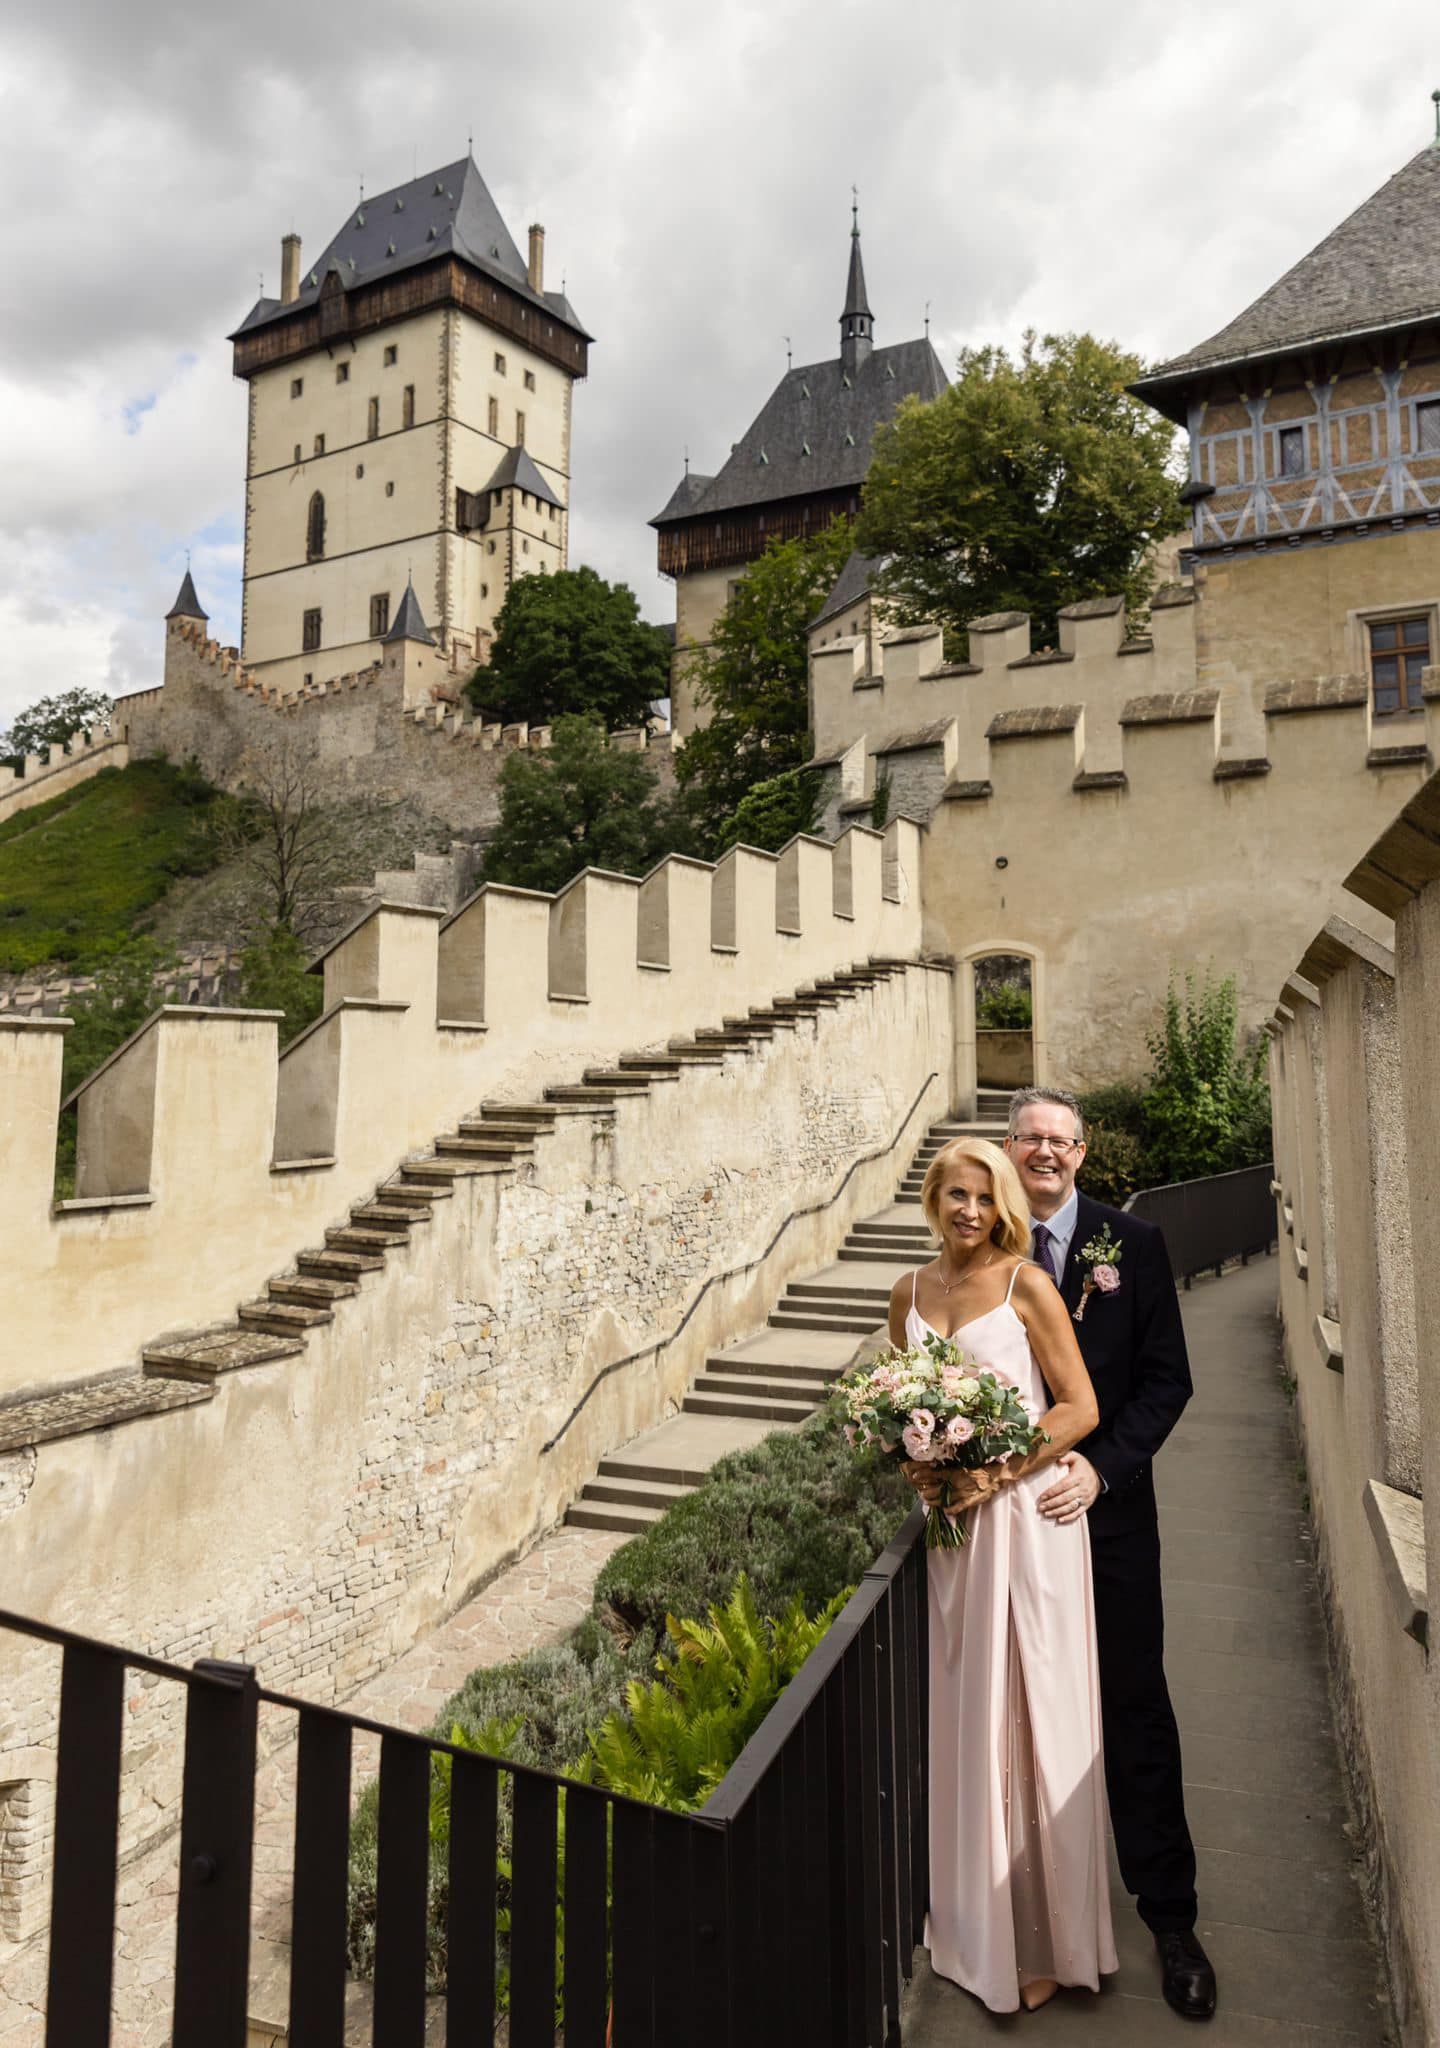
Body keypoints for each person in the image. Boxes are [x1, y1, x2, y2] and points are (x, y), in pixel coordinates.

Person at [1004, 1084, 1217, 2022]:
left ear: (1083, 1154)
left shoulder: (1133, 1246)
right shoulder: (985, 1250)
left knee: (1135, 1708)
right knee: (1021, 1721)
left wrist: (1102, 1472)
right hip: (1009, 1534)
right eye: (1031, 1139)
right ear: (1009, 1149)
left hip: (1111, 1521)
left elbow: (1168, 1383)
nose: (1046, 1153)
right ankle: (1028, 1917)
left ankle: (1172, 1921)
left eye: (1062, 1140)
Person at [889, 1136, 1114, 2015]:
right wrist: (918, 1462)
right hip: (951, 1536)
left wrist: (996, 1471)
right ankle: (979, 1926)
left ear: (1004, 1207)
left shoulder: (1028, 1285)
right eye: (955, 1195)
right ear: (933, 1199)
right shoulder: (906, 1291)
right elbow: (909, 1408)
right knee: (968, 1716)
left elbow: (1080, 1406)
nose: (969, 1212)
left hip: (1024, 1522)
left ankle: (1053, 1936)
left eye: (984, 1198)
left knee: (1037, 1711)